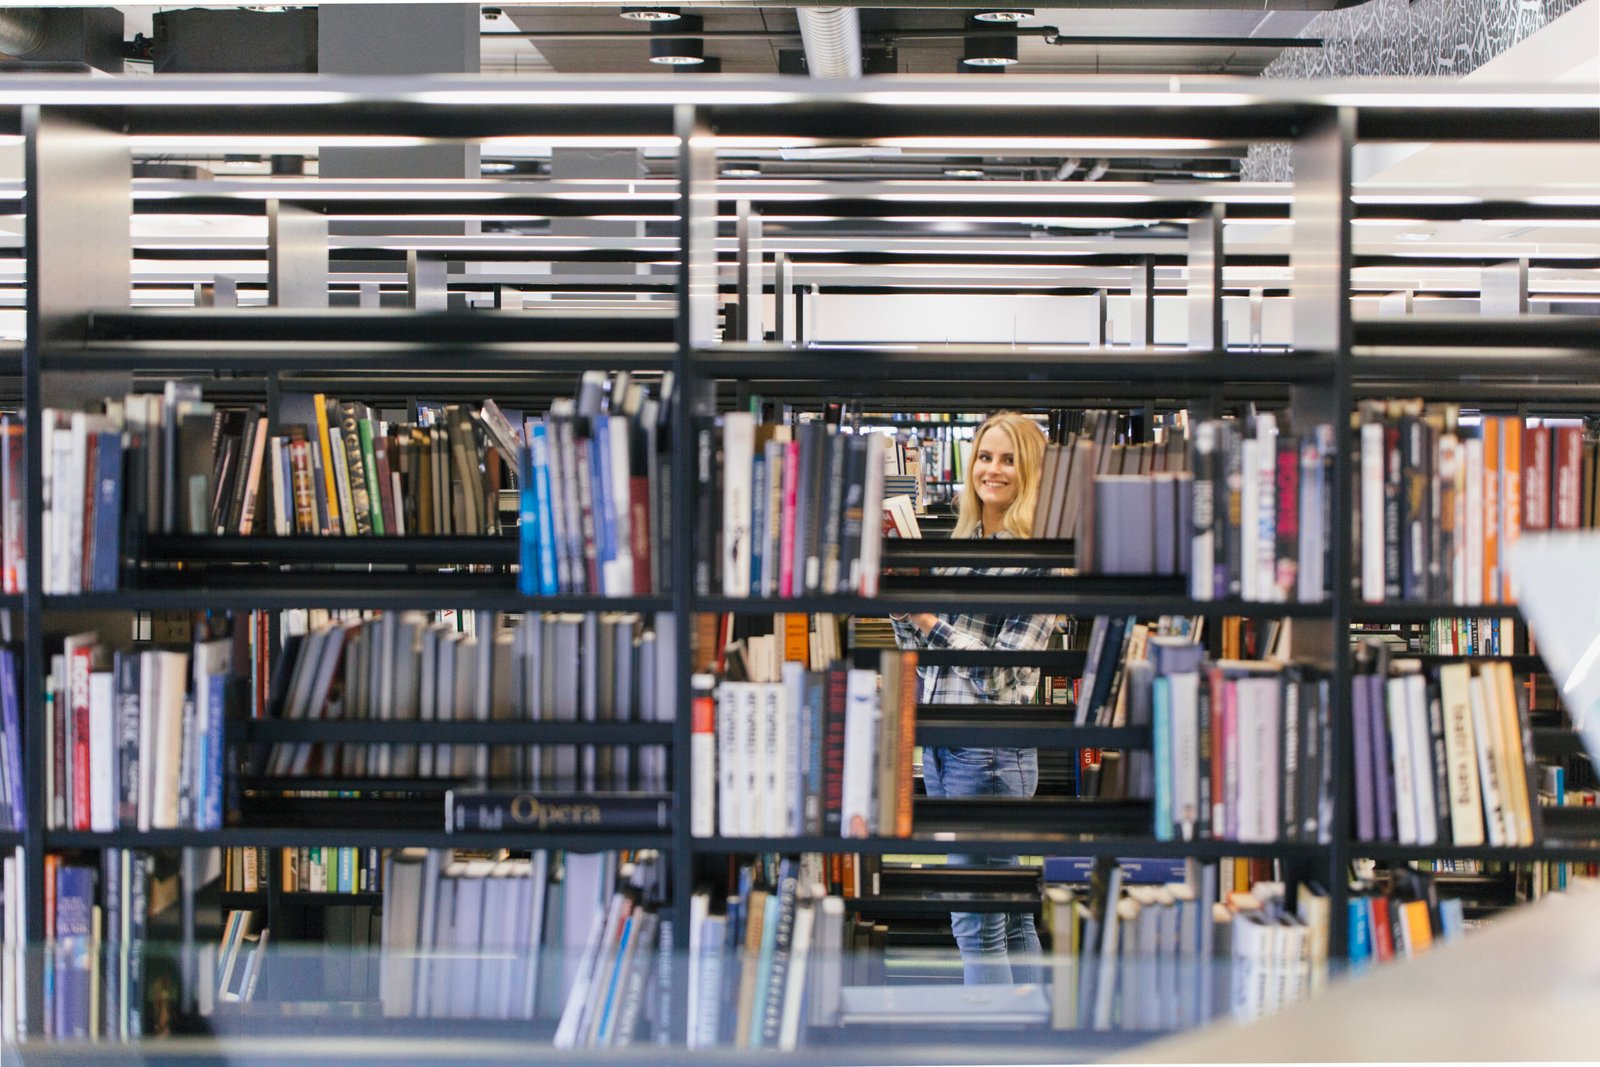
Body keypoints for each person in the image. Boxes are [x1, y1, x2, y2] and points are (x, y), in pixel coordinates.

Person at [889, 410, 1057, 986]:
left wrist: (927, 616)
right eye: (985, 456)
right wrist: (901, 602)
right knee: (1006, 919)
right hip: (943, 749)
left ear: (1030, 470)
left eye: (1008, 458)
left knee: (975, 924)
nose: (993, 468)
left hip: (988, 755)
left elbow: (1006, 675)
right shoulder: (969, 543)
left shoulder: (1042, 558)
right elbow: (925, 649)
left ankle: (996, 1046)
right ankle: (1038, 1043)